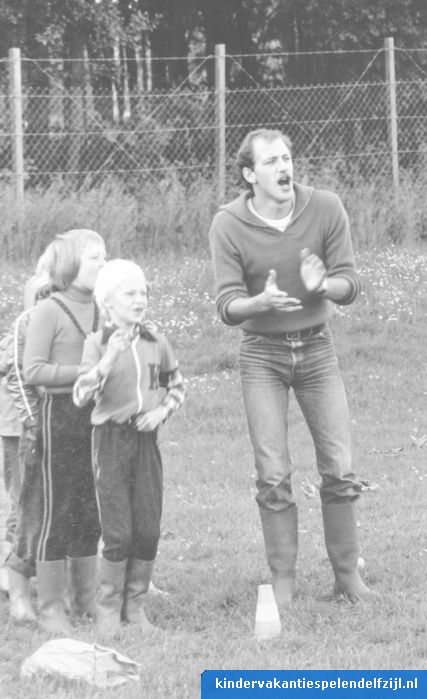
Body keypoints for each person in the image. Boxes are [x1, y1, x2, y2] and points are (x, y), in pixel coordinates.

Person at [209, 128, 379, 606]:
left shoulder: (325, 207)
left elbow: (349, 283)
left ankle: (347, 578)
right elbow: (226, 305)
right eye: (271, 162)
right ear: (250, 175)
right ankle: (283, 580)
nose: (284, 167)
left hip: (318, 350)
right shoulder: (228, 224)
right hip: (261, 355)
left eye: (286, 158)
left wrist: (323, 286)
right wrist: (258, 302)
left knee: (340, 466)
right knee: (272, 472)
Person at [73, 259, 185, 637]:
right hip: (110, 441)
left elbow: (177, 386)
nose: (140, 300)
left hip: (145, 441)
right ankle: (109, 608)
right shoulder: (96, 344)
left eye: (144, 292)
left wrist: (160, 413)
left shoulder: (156, 342)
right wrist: (106, 361)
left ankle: (135, 609)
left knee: (148, 527)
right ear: (107, 301)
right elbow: (80, 395)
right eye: (130, 293)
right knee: (118, 530)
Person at [21, 229, 106, 633]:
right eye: (95, 258)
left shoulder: (104, 308)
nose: (104, 264)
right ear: (70, 265)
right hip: (59, 418)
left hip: (98, 417)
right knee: (56, 509)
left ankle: (86, 598)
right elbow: (34, 370)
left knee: (90, 509)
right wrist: (86, 372)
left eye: (106, 257)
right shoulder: (49, 310)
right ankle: (51, 605)